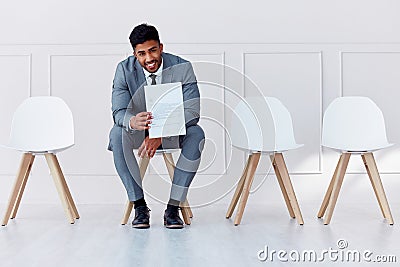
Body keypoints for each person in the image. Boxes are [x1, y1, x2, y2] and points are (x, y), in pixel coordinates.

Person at [108, 23, 205, 229]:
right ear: (135, 54)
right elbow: (119, 112)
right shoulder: (123, 70)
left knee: (196, 133)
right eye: (141, 53)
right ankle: (140, 206)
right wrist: (131, 121)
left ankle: (173, 207)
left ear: (160, 47)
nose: (149, 58)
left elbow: (193, 110)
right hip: (139, 131)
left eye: (152, 50)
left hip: (174, 130)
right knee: (117, 134)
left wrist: (161, 132)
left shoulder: (182, 67)